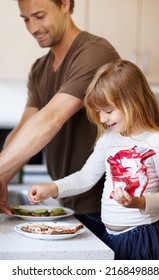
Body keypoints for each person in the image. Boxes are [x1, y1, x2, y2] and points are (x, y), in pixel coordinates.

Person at [28, 59, 159, 260]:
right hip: (111, 239)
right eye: (99, 112)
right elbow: (86, 177)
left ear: (133, 101)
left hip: (145, 239)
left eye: (108, 111)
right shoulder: (109, 139)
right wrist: (52, 188)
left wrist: (140, 202)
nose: (103, 119)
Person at [0, 0, 120, 239]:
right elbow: (25, 127)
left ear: (65, 4)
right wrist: (4, 176)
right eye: (25, 19)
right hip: (67, 203)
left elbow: (51, 118)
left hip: (105, 208)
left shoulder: (94, 53)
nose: (32, 28)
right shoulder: (39, 69)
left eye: (39, 16)